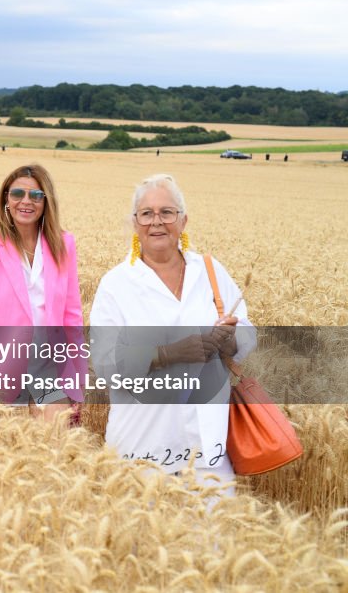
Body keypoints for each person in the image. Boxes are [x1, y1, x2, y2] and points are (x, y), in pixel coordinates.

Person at [90, 174, 254, 496]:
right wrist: (170, 353)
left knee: (215, 541)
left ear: (183, 220)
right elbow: (105, 364)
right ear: (135, 223)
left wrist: (230, 340)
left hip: (207, 443)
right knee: (143, 543)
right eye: (146, 213)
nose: (157, 222)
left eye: (167, 212)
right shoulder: (116, 284)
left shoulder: (210, 271)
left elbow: (248, 334)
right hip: (141, 445)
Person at [0, 164, 85, 421]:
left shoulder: (64, 244)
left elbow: (73, 318)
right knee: (3, 452)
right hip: (0, 370)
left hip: (51, 370)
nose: (26, 201)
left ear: (46, 201)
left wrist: (77, 381)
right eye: (17, 194)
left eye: (36, 195)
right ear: (6, 198)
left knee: (54, 448)